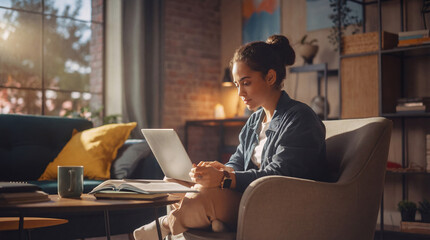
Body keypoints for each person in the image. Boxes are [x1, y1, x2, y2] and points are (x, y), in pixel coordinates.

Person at [133, 35, 329, 239]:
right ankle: (214, 220)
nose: (240, 93)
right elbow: (238, 160)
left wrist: (226, 179)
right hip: (247, 197)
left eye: (246, 83)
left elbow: (280, 176)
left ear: (270, 77)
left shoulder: (300, 117)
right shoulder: (254, 121)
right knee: (174, 183)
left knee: (203, 196)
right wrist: (219, 170)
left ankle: (165, 226)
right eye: (237, 84)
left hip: (274, 204)